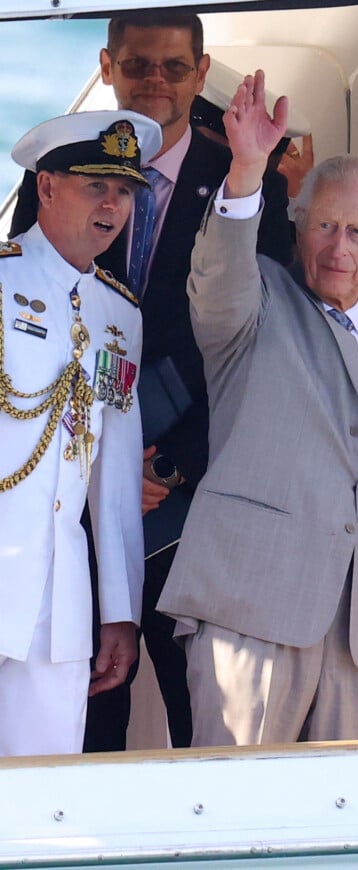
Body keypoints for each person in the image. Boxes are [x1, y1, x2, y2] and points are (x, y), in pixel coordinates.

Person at [10, 9, 294, 752]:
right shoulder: (34, 230)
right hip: (53, 532)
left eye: (174, 67)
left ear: (200, 74)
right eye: (138, 64)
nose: (155, 81)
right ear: (107, 67)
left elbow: (258, 349)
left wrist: (168, 466)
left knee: (175, 730)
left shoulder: (236, 184)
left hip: (185, 509)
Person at [158, 70, 358, 746]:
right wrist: (247, 168)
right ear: (298, 225)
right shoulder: (255, 306)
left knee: (339, 831)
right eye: (326, 225)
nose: (339, 248)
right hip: (255, 611)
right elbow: (220, 273)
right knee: (234, 824)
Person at [0, 109, 162, 756]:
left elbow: (116, 477)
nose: (113, 204)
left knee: (43, 797)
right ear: (45, 186)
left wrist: (120, 611)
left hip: (59, 600)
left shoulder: (120, 312)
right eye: (96, 185)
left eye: (124, 190)